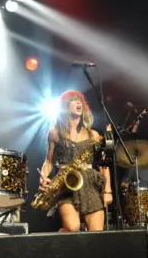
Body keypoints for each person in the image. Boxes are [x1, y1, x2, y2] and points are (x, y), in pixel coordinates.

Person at [38, 90, 113, 232]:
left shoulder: (94, 135)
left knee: (96, 234)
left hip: (90, 184)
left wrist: (107, 190)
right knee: (72, 228)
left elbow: (104, 166)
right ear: (65, 106)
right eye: (73, 100)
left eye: (80, 100)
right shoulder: (55, 133)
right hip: (66, 186)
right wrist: (43, 179)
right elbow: (48, 162)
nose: (79, 102)